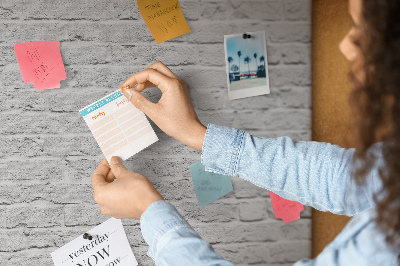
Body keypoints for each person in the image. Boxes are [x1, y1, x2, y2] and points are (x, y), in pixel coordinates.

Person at [90, 0, 400, 264]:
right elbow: (344, 178)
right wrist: (196, 134)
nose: (346, 46)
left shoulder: (385, 247)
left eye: (365, 30)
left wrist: (149, 211)